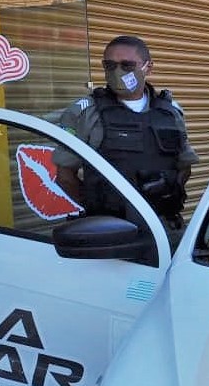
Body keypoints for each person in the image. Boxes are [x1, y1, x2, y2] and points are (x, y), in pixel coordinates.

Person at [53, 35, 198, 251]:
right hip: (109, 234)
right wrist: (98, 208)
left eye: (127, 65)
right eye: (109, 65)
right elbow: (65, 176)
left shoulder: (170, 112)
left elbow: (183, 167)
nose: (117, 71)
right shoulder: (86, 112)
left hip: (164, 230)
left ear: (148, 67)